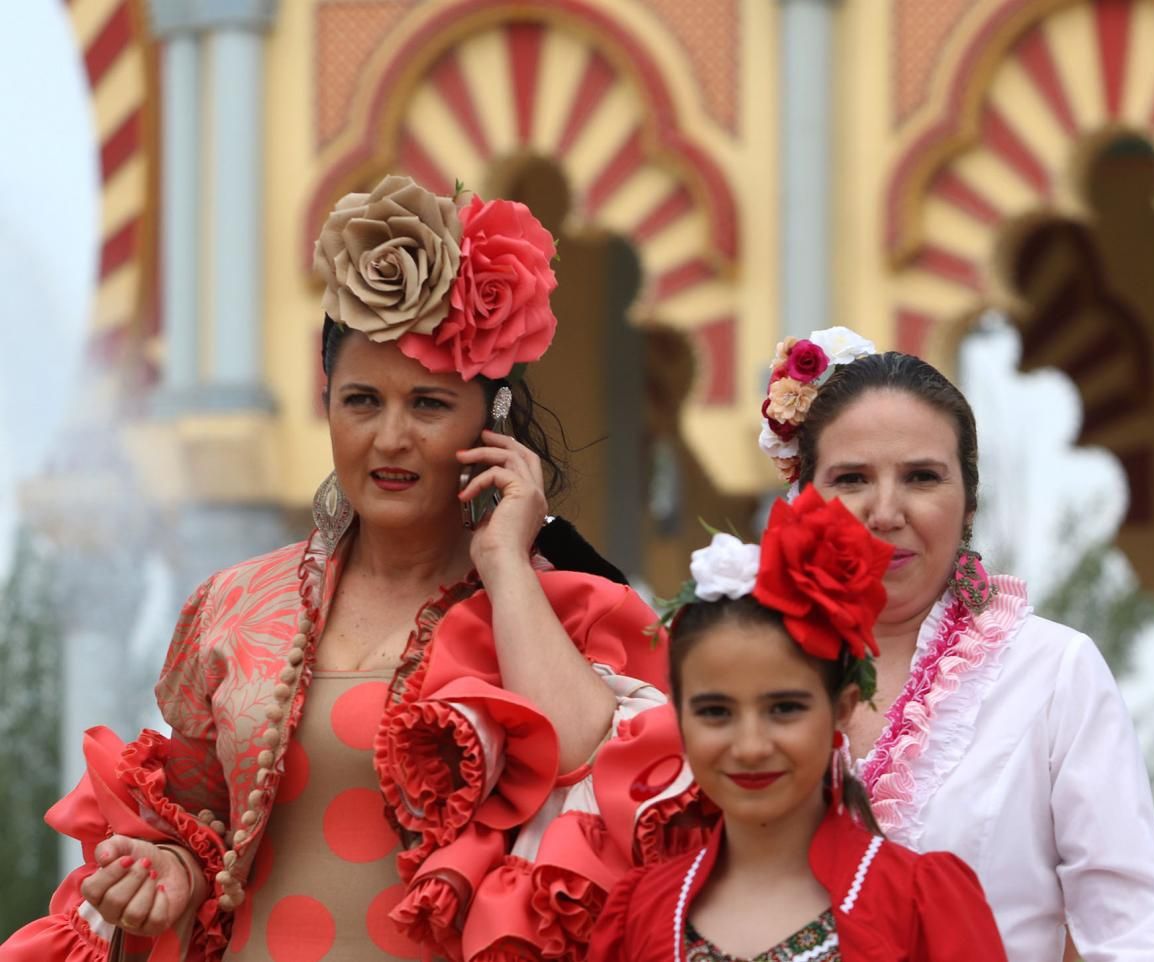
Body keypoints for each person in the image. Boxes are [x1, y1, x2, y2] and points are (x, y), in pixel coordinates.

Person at [1, 175, 676, 962]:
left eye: (427, 404)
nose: (390, 438)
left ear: (490, 421)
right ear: (327, 405)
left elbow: (593, 780)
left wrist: (507, 564)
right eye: (362, 401)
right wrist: (165, 870)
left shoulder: (562, 609)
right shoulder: (233, 603)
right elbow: (193, 822)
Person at [754, 326, 1154, 960]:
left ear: (969, 504)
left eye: (922, 477)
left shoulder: (1051, 673)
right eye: (850, 479)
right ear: (803, 499)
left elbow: (1130, 933)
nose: (885, 511)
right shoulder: (746, 675)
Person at [588, 487, 1009, 961]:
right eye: (715, 712)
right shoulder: (641, 913)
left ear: (843, 708)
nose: (749, 746)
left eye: (784, 708)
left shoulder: (920, 904)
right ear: (679, 716)